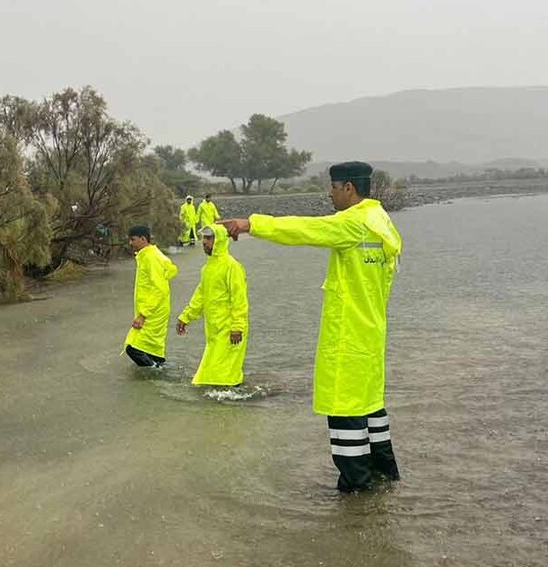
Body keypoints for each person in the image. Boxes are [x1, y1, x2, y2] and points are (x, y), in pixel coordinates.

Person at [220, 161, 402, 492]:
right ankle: (386, 479)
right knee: (371, 408)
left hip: (348, 336)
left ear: (349, 188)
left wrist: (251, 224)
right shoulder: (382, 222)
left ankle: (357, 494)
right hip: (372, 333)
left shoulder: (354, 225)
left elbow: (305, 229)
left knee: (345, 411)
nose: (329, 195)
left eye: (333, 188)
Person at [176, 224, 249, 386]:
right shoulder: (207, 268)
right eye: (204, 238)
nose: (204, 242)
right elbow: (200, 296)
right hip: (214, 332)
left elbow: (239, 299)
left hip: (230, 331)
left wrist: (237, 326)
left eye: (209, 238)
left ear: (220, 240)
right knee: (209, 378)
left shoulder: (232, 267)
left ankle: (228, 409)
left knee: (222, 378)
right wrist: (185, 317)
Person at [124, 225, 178, 367]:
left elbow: (159, 289)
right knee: (151, 348)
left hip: (152, 311)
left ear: (143, 239)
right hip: (154, 309)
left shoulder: (151, 258)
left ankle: (156, 371)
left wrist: (143, 314)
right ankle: (158, 370)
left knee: (133, 348)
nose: (130, 243)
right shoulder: (147, 256)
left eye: (132, 239)